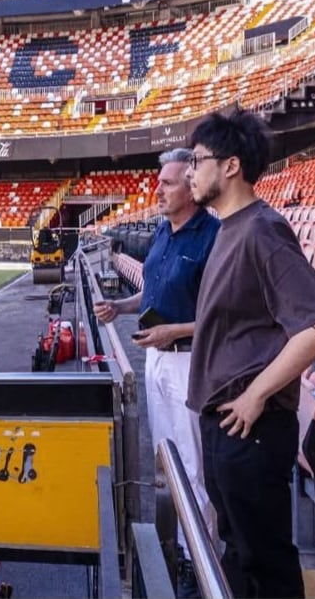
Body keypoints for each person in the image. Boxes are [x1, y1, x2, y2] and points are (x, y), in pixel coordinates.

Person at [185, 108, 315, 599]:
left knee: (264, 562)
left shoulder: (261, 229)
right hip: (225, 422)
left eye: (197, 161)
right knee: (237, 552)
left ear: (230, 166)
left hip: (251, 427)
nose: (190, 172)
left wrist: (256, 395)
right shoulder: (231, 228)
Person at [94, 148, 220, 596]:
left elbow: (224, 315)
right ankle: (183, 549)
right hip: (159, 357)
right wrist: (121, 308)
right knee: (166, 460)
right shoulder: (163, 235)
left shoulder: (213, 236)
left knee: (193, 464)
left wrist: (175, 331)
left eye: (167, 183)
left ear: (191, 186)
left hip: (191, 360)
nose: (158, 190)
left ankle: (200, 560)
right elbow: (150, 294)